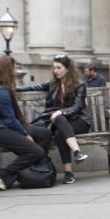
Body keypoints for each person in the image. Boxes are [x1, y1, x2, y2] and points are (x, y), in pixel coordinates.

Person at [0, 56, 54, 190]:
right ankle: (2, 175)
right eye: (14, 68)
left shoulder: (1, 88)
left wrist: (26, 130)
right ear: (7, 71)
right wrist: (25, 134)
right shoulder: (1, 92)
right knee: (36, 152)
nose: (15, 71)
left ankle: (33, 171)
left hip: (2, 127)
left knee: (45, 134)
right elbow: (10, 120)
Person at [19, 54, 90, 185]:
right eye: (54, 68)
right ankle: (75, 158)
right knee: (58, 132)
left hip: (79, 121)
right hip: (60, 123)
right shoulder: (53, 84)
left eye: (59, 67)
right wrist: (13, 88)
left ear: (67, 69)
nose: (55, 71)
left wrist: (61, 112)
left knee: (59, 119)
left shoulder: (79, 85)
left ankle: (73, 163)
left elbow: (78, 107)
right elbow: (33, 87)